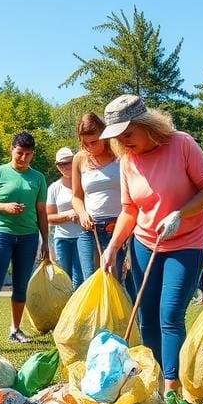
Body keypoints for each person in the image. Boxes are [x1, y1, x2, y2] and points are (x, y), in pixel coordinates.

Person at [100, 95, 203, 391]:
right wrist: (113, 246)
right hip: (144, 243)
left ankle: (171, 387)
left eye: (128, 133)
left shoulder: (181, 144)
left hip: (186, 243)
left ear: (147, 125)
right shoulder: (127, 161)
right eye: (118, 137)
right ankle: (152, 380)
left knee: (170, 315)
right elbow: (129, 210)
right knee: (147, 315)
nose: (124, 142)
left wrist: (180, 213)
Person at [0, 131, 49, 344]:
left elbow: (41, 212)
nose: (23, 158)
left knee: (21, 286)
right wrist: (4, 207)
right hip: (0, 234)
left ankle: (15, 329)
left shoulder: (38, 178)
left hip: (28, 237)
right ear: (11, 150)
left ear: (33, 154)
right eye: (19, 153)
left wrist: (45, 240)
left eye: (28, 154)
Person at [71, 112, 127, 284]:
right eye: (84, 143)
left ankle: (117, 312)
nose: (90, 147)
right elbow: (76, 196)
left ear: (105, 135)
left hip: (116, 227)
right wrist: (82, 214)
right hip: (90, 228)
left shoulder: (121, 154)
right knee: (90, 280)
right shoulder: (79, 159)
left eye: (94, 142)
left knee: (114, 279)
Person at [46, 147, 83, 289]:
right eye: (60, 164)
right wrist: (69, 215)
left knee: (79, 279)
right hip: (62, 239)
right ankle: (66, 309)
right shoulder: (54, 188)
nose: (64, 166)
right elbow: (49, 217)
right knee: (64, 279)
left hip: (83, 237)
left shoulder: (84, 183)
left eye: (68, 162)